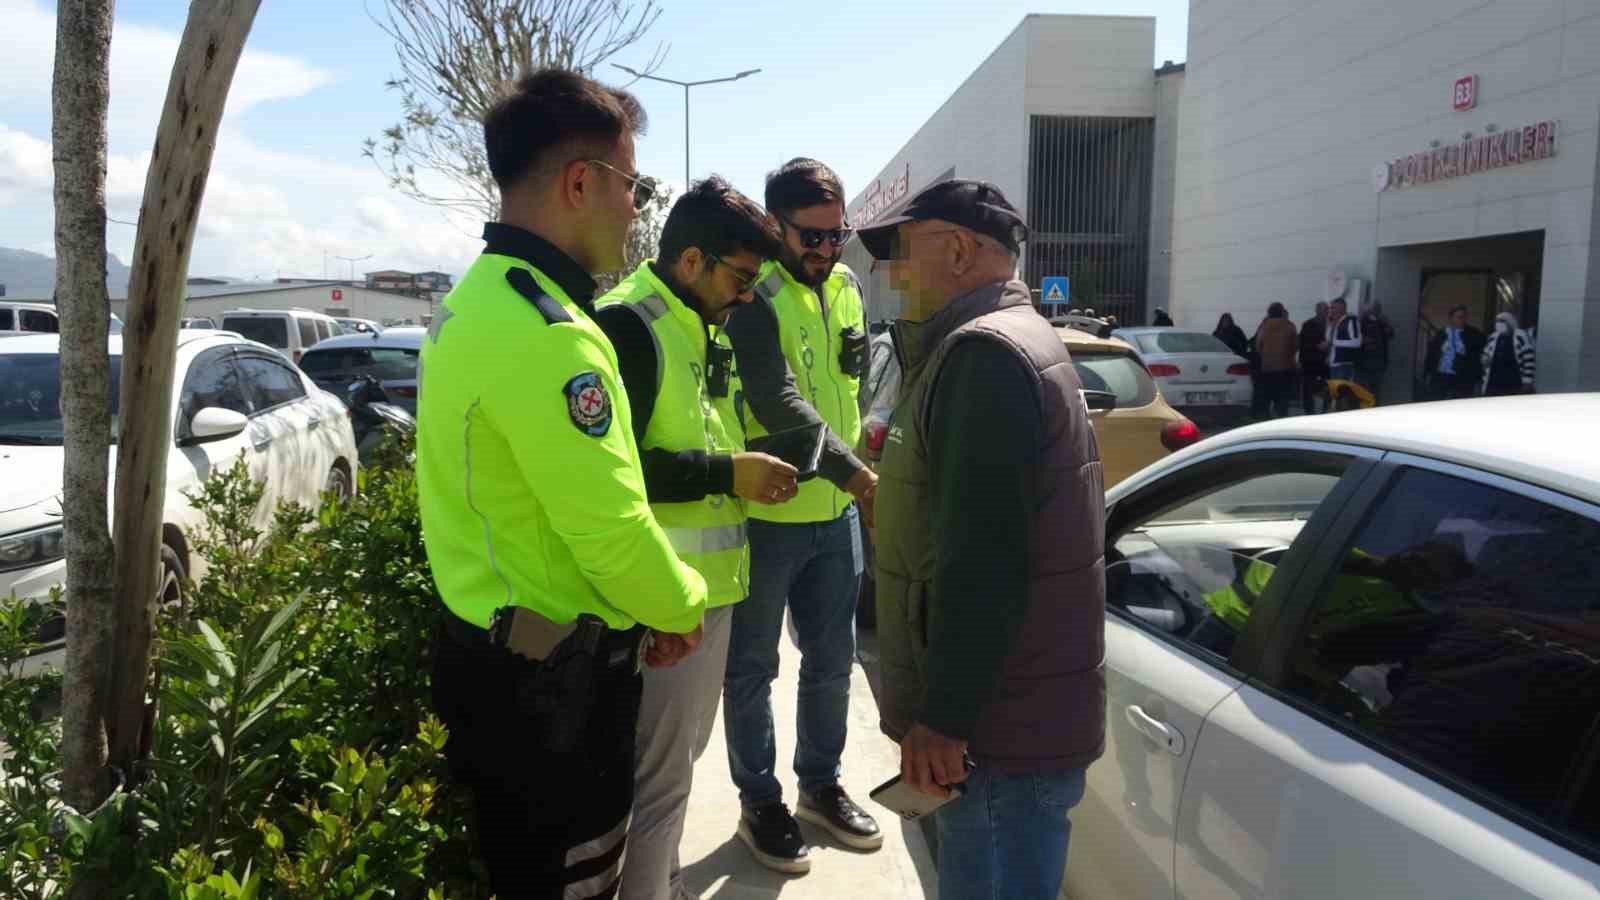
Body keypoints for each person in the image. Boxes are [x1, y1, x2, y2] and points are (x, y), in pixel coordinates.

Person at [417, 69, 709, 898]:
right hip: (557, 703)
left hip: (491, 665)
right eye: (633, 184)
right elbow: (612, 533)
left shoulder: (474, 300)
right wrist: (681, 602)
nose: (636, 208)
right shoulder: (555, 339)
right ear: (582, 183)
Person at [857, 180, 1106, 900]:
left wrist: (945, 719)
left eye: (900, 254)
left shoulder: (983, 356)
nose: (890, 275)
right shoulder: (997, 342)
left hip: (995, 737)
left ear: (960, 250)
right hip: (1010, 723)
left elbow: (983, 561)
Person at [592, 177, 800, 900]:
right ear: (689, 260)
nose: (747, 296)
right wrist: (729, 473)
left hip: (700, 596)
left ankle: (666, 883)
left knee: (673, 774)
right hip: (662, 603)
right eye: (741, 278)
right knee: (659, 786)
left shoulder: (693, 323)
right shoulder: (630, 327)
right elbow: (612, 477)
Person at [720, 158, 881, 873]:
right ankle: (761, 799)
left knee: (832, 662)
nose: (823, 250)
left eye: (833, 235)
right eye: (808, 236)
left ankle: (820, 784)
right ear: (775, 226)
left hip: (836, 517)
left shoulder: (845, 288)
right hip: (767, 516)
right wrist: (862, 478)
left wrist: (859, 474)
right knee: (752, 667)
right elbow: (780, 403)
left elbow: (853, 388)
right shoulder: (753, 296)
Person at [1421, 305, 1485, 400]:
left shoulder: (1473, 334)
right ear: (1451, 318)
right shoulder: (1442, 333)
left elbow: (1478, 354)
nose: (1462, 320)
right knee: (1437, 400)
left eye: (1464, 317)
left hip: (1462, 376)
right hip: (1441, 375)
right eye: (1459, 317)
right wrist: (1426, 373)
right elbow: (1432, 354)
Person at [1253, 302, 1298, 419]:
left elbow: (1258, 345)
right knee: (1283, 396)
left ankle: (1267, 418)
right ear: (1282, 312)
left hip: (1267, 367)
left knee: (1267, 395)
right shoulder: (1289, 325)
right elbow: (1296, 345)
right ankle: (1282, 417)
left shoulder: (1264, 326)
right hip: (1285, 367)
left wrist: (1265, 356)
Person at [1481, 310, 1537, 396]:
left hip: (1514, 381)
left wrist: (1527, 381)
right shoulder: (1493, 337)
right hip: (1494, 381)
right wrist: (1485, 360)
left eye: (1502, 321)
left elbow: (1529, 360)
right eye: (1497, 321)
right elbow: (1485, 355)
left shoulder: (1521, 336)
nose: (1499, 324)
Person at [1357, 299, 1395, 401]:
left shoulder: (1383, 321)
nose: (1375, 310)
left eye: (1377, 308)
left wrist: (1386, 324)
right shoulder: (1362, 321)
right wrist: (1363, 340)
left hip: (1379, 360)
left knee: (1376, 389)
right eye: (1372, 308)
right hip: (1364, 360)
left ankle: (1374, 408)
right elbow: (1356, 338)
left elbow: (1390, 334)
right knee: (1363, 388)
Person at [1299, 301, 1330, 414]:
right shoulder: (1308, 325)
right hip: (1310, 361)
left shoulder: (1331, 324)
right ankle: (1309, 410)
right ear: (1317, 310)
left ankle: (1325, 409)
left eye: (1327, 310)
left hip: (1325, 362)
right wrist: (1317, 346)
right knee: (1308, 387)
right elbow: (1302, 343)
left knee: (1327, 387)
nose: (1326, 312)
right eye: (1323, 310)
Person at [1327, 298, 1362, 384]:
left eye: (1333, 307)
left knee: (1342, 394)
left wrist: (1333, 342)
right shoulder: (1335, 321)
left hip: (1344, 365)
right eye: (1331, 308)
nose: (1331, 310)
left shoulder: (1351, 320)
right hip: (1333, 363)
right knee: (1335, 393)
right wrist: (1330, 325)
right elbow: (1328, 339)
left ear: (1342, 308)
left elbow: (1357, 342)